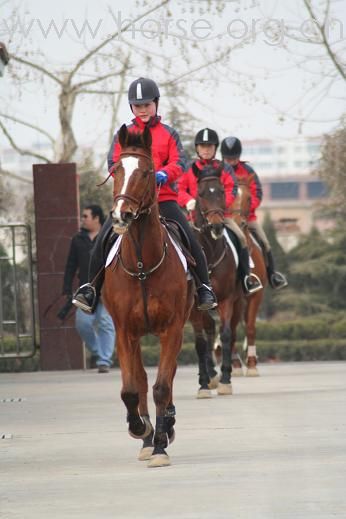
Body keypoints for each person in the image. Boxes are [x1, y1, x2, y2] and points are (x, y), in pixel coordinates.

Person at [72, 77, 217, 313]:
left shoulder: (169, 134)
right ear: (131, 108)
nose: (143, 110)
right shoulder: (124, 134)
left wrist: (163, 174)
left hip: (164, 200)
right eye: (138, 106)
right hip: (129, 202)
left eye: (147, 104)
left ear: (156, 104)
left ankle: (204, 288)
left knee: (190, 239)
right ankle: (89, 289)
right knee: (102, 240)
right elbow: (113, 163)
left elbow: (180, 162)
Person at [178, 128, 262, 295]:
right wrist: (188, 201)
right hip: (193, 218)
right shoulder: (188, 168)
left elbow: (232, 189)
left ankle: (246, 279)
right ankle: (180, 280)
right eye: (203, 146)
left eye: (210, 146)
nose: (206, 150)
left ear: (215, 148)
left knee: (241, 238)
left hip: (221, 217)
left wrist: (221, 207)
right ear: (197, 148)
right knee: (177, 241)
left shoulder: (224, 168)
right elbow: (178, 189)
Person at [221, 136, 288, 290]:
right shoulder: (219, 171)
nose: (231, 162)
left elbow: (257, 194)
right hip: (224, 216)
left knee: (265, 242)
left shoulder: (248, 171)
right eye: (228, 158)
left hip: (246, 216)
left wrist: (246, 211)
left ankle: (273, 275)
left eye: (234, 158)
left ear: (239, 156)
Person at [63, 205, 116, 372]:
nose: (82, 219)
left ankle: (104, 361)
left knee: (106, 323)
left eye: (86, 216)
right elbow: (71, 265)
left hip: (108, 289)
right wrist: (66, 288)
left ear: (96, 218)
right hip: (86, 290)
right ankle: (99, 353)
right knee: (82, 324)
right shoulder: (77, 239)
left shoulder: (110, 236)